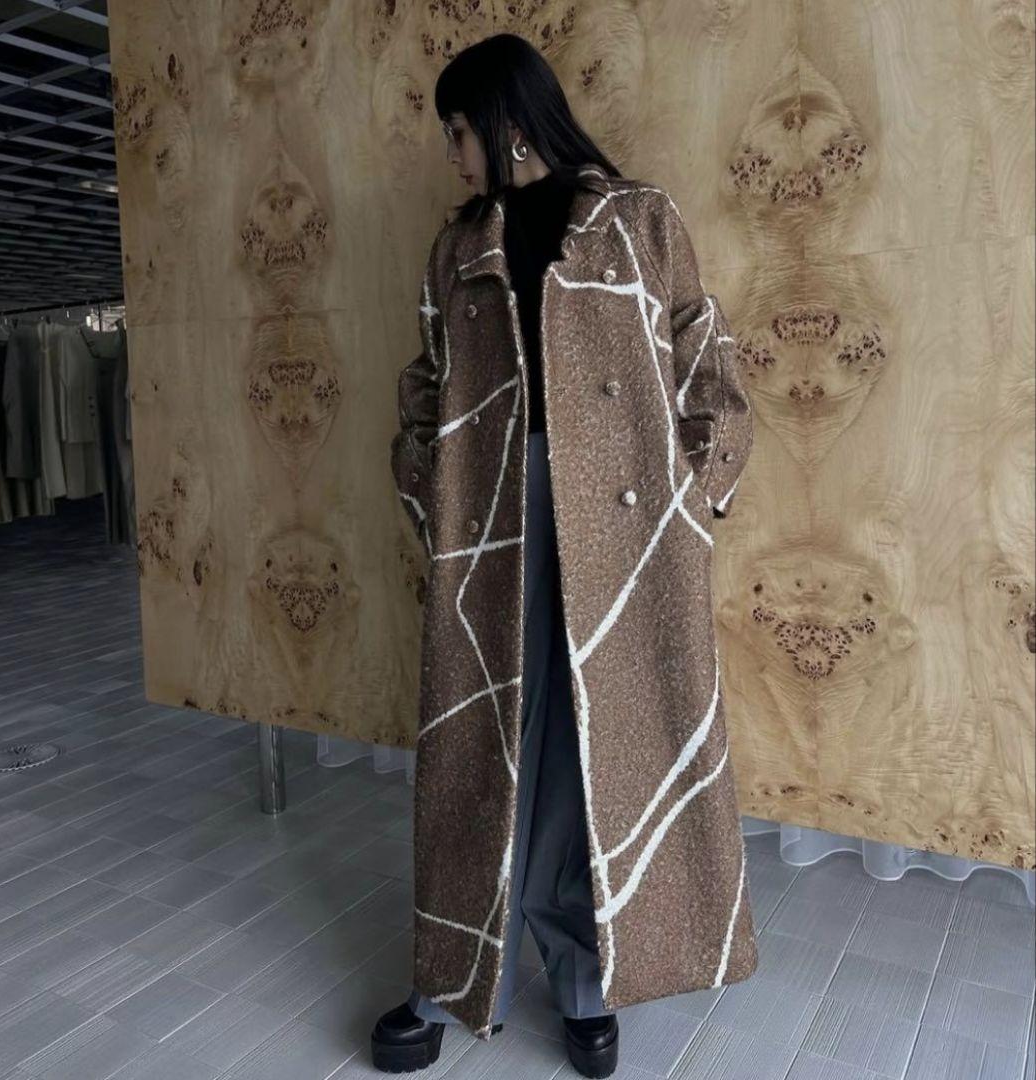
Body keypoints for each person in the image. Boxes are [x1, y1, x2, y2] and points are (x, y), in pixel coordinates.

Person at [378, 30, 756, 1080]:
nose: (453, 155)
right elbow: (425, 382)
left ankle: (585, 982)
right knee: (486, 744)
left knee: (598, 752)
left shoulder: (637, 218)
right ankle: (451, 976)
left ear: (507, 121)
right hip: (494, 516)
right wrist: (431, 491)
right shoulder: (457, 246)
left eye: (460, 131)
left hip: (624, 526)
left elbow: (704, 356)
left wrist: (693, 500)